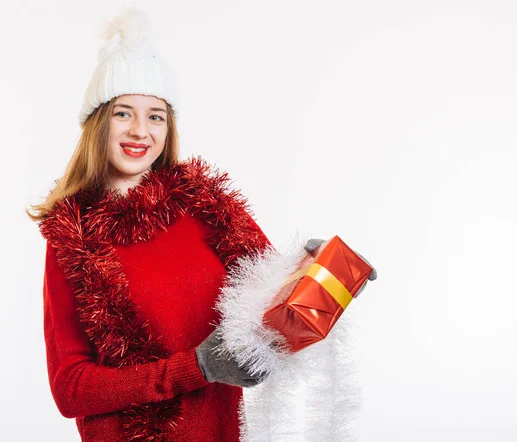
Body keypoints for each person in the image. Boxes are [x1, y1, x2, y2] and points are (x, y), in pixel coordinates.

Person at [27, 7, 376, 442]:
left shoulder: (206, 206)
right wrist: (196, 367)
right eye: (122, 113)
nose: (140, 130)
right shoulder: (71, 236)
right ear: (98, 122)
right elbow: (70, 389)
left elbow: (275, 312)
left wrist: (326, 275)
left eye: (156, 115)